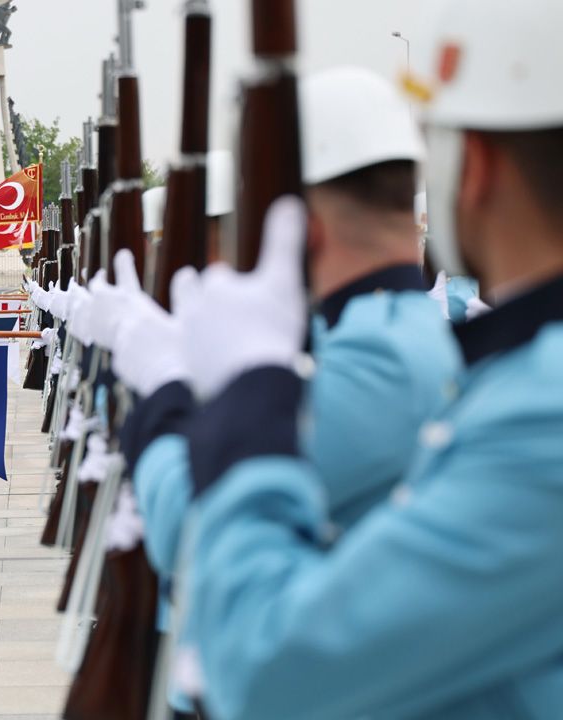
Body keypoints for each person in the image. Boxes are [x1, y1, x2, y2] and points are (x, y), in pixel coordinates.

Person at [155, 2, 563, 715]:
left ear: (475, 169)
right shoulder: (519, 373)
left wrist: (226, 393)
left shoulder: (541, 413)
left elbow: (269, 667)